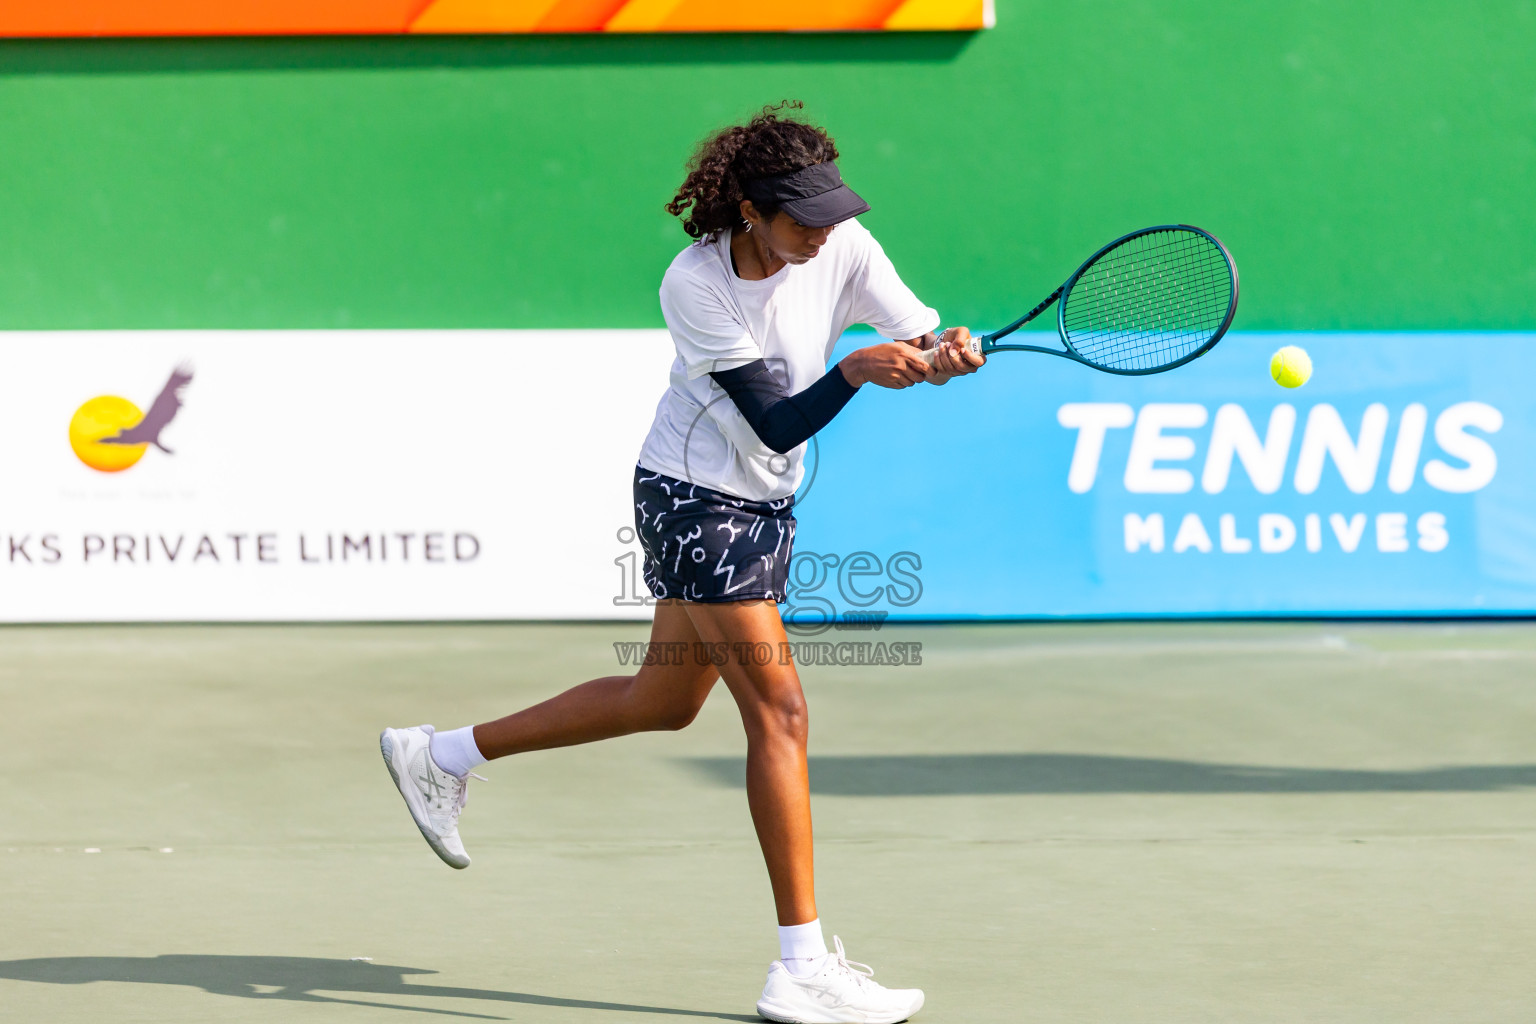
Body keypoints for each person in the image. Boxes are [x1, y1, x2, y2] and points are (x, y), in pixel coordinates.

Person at [380, 101, 983, 1024]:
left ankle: (441, 753)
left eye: (830, 215)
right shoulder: (693, 284)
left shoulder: (845, 244)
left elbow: (913, 329)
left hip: (766, 498)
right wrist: (862, 371)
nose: (822, 236)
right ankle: (800, 966)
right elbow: (778, 418)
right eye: (801, 221)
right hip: (692, 498)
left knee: (659, 702)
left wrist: (942, 354)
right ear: (749, 209)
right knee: (780, 711)